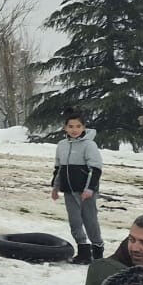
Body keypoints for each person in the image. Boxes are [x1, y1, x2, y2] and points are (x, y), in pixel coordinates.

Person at [52, 111, 104, 264]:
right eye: (70, 126)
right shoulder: (61, 145)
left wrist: (90, 189)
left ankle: (97, 250)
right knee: (74, 221)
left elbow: (95, 169)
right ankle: (83, 251)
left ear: (84, 127)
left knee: (90, 221)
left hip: (85, 192)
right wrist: (55, 187)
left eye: (78, 126)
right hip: (69, 190)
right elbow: (58, 168)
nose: (74, 129)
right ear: (65, 128)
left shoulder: (89, 145)